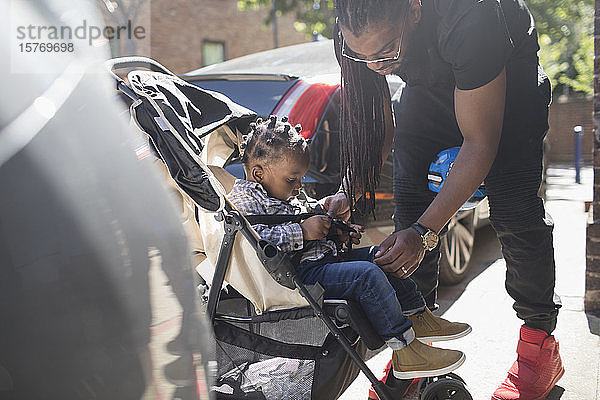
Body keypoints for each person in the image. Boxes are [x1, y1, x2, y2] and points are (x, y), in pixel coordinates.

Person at [323, 0, 564, 398]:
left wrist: (426, 232)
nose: (373, 65)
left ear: (413, 10)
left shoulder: (471, 17)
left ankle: (539, 345)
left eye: (385, 52)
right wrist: (351, 187)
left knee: (513, 208)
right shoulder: (357, 30)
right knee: (408, 204)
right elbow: (376, 125)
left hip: (505, 76)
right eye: (360, 55)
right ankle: (416, 346)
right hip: (428, 84)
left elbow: (480, 144)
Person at [228, 115, 472, 380]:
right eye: (292, 180)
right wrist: (303, 231)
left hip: (321, 260)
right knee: (366, 275)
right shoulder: (245, 200)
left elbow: (307, 214)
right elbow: (255, 243)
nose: (298, 187)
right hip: (299, 276)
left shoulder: (282, 191)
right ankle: (405, 350)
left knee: (383, 256)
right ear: (258, 173)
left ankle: (417, 315)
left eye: (301, 179)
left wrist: (334, 229)